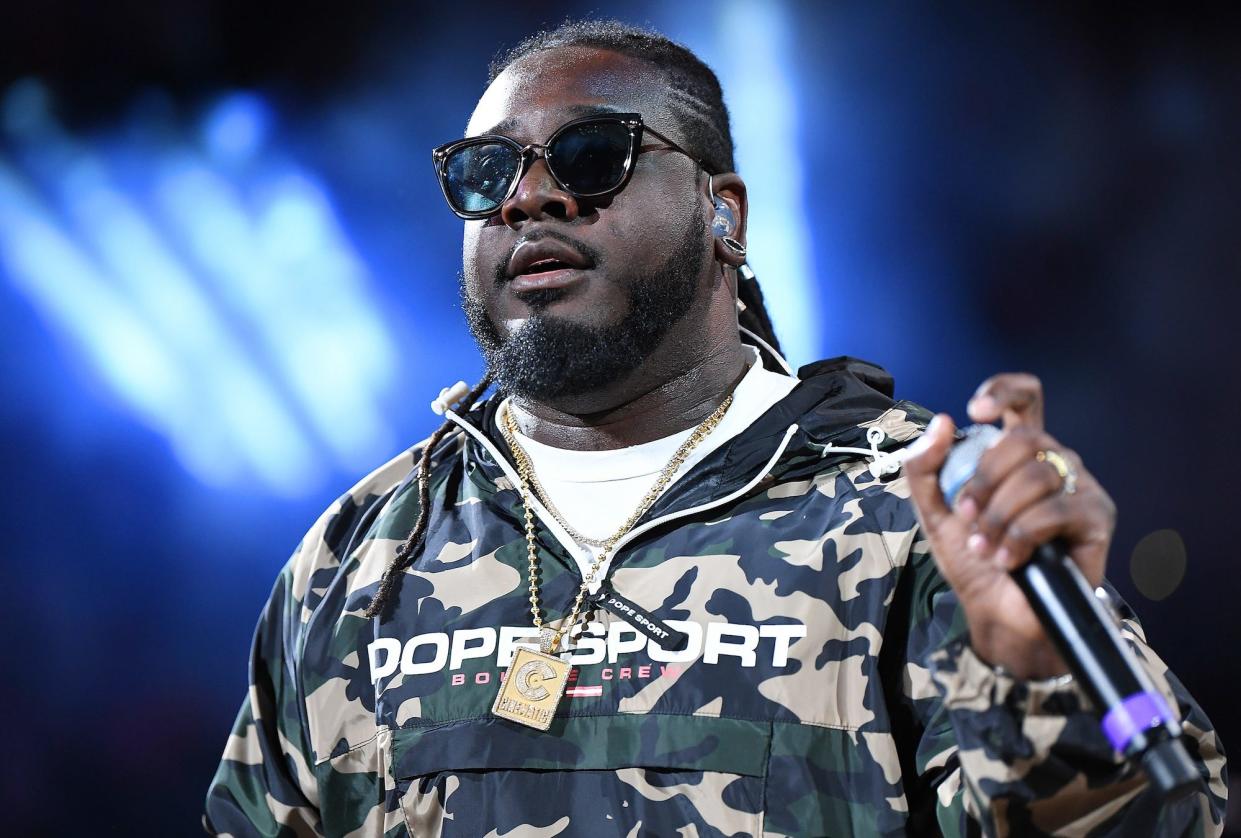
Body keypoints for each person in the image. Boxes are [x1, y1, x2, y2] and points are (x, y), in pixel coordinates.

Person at [204, 19, 1227, 837]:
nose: (529, 197)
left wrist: (1041, 680)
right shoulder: (361, 549)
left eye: (591, 153)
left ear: (722, 215)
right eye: (486, 172)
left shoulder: (920, 514)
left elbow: (1177, 815)